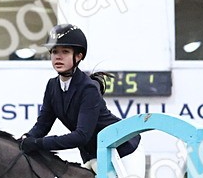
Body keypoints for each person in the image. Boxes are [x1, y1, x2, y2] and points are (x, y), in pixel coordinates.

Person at [19, 24, 139, 167]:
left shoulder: (88, 88)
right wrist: (26, 138)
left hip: (122, 151)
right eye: (54, 51)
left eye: (65, 51)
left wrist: (38, 144)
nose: (58, 57)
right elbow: (43, 125)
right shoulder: (52, 86)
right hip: (92, 155)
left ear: (78, 56)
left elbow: (81, 135)